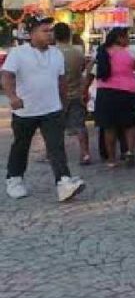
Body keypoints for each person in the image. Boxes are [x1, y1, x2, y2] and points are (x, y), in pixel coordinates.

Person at [2, 15, 86, 202]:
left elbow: (61, 81)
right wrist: (13, 97)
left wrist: (63, 104)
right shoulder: (18, 53)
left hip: (52, 109)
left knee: (56, 147)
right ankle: (14, 179)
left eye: (51, 30)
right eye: (45, 31)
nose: (50, 34)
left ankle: (63, 182)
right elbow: (6, 76)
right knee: (21, 146)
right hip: (25, 111)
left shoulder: (56, 53)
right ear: (32, 34)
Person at [94, 28, 135, 168]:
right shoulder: (131, 53)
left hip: (106, 93)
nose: (128, 40)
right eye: (126, 37)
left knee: (109, 127)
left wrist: (85, 89)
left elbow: (91, 71)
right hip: (127, 92)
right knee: (130, 125)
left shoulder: (102, 52)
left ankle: (111, 159)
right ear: (119, 38)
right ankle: (129, 152)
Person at [54, 23, 91, 165]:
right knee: (80, 125)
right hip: (76, 93)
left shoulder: (52, 53)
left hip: (57, 95)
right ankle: (85, 153)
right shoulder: (78, 52)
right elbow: (84, 68)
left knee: (55, 127)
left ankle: (53, 153)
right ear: (69, 34)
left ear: (55, 35)